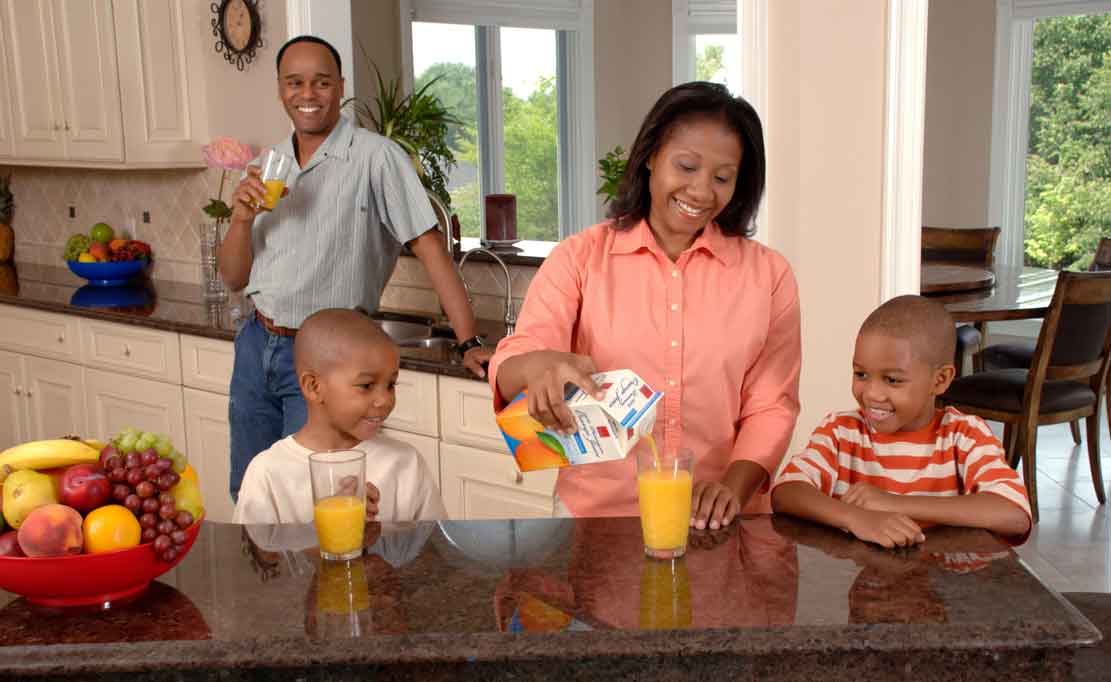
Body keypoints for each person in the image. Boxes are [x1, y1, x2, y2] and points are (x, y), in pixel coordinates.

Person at [488, 82, 801, 527]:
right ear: (651, 155)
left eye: (722, 177)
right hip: (597, 518)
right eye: (687, 166)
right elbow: (514, 359)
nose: (701, 191)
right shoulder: (580, 258)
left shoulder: (770, 277)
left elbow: (772, 404)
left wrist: (731, 489)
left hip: (714, 522)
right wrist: (541, 367)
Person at [218, 35, 492, 501]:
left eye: (321, 82)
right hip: (255, 346)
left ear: (340, 86)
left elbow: (431, 250)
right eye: (295, 83)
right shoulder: (269, 165)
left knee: (316, 499)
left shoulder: (376, 158)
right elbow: (233, 277)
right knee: (250, 492)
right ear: (280, 89)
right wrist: (241, 219)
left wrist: (468, 342)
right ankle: (262, 577)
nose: (308, 95)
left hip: (325, 362)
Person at [771, 295, 1032, 549]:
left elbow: (1014, 514)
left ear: (939, 380)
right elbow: (787, 491)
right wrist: (857, 518)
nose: (872, 393)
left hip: (946, 589)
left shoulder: (965, 435)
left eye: (892, 380)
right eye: (861, 374)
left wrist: (894, 503)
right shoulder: (841, 431)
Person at [233, 308, 446, 525]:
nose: (384, 400)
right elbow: (255, 557)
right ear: (314, 387)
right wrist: (328, 528)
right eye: (366, 385)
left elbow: (438, 551)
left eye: (391, 385)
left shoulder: (406, 464)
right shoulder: (268, 475)